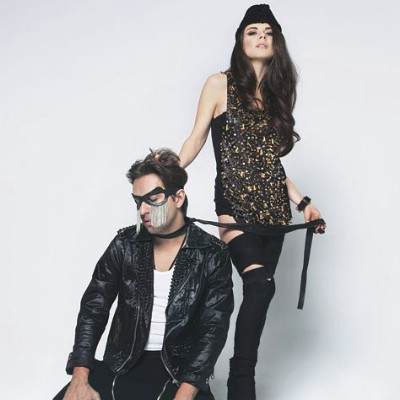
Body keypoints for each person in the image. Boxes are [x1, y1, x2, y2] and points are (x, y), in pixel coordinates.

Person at [178, 4, 327, 400]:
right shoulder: (219, 84)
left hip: (274, 214)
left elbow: (271, 164)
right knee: (259, 285)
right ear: (240, 41)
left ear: (276, 43)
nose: (261, 36)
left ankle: (240, 378)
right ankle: (240, 383)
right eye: (252, 31)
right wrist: (167, 175)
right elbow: (196, 138)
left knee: (259, 295)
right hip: (234, 207)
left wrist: (305, 203)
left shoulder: (276, 97)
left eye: (267, 32)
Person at [53, 149, 234, 400]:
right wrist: (79, 378)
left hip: (179, 374)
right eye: (138, 201)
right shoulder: (125, 243)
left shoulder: (212, 253)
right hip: (121, 363)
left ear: (178, 197)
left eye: (152, 199)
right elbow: (94, 308)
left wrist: (185, 393)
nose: (143, 210)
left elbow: (214, 328)